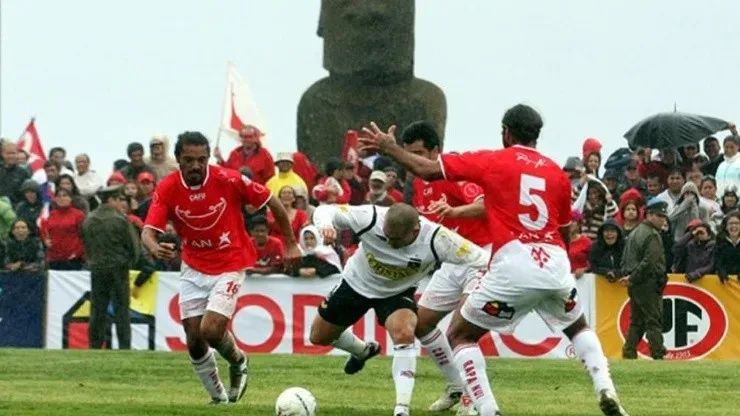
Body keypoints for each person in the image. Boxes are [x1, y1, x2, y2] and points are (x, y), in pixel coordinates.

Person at [359, 104, 628, 416]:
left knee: (460, 334)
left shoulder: (494, 160)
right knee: (578, 327)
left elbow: (428, 169)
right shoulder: (556, 172)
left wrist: (389, 149)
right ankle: (606, 389)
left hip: (505, 260)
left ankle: (486, 409)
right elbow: (565, 231)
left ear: (506, 132)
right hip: (552, 262)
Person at [141, 131, 301, 405]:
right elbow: (148, 232)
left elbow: (271, 201)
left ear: (207, 159)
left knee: (212, 330)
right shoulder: (167, 187)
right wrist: (154, 247)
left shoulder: (229, 178)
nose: (195, 166)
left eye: (201, 159)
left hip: (230, 261)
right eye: (189, 160)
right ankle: (219, 400)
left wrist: (289, 243)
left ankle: (238, 360)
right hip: (193, 266)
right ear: (178, 159)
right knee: (193, 340)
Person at [310, 203, 488, 416]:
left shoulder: (439, 240)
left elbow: (483, 259)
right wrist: (326, 226)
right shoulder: (371, 217)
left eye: (396, 240)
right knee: (318, 337)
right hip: (355, 283)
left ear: (415, 231)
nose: (390, 243)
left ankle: (401, 409)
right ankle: (363, 350)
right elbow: (324, 210)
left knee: (405, 331)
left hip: (396, 293)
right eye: (387, 236)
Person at [399, 120, 490, 414]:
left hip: (480, 257)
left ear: (435, 151)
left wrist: (455, 211)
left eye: (418, 153)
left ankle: (471, 401)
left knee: (461, 330)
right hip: (452, 260)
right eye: (408, 154)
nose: (413, 161)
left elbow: (486, 204)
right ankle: (455, 386)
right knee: (420, 323)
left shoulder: (454, 171)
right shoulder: (416, 180)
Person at [82, 185, 141, 350]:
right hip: (118, 268)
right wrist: (128, 262)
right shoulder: (120, 220)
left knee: (97, 310)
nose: (121, 203)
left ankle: (94, 345)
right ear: (111, 200)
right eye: (119, 199)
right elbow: (134, 247)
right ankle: (124, 346)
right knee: (121, 310)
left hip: (97, 268)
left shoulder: (88, 219)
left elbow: (85, 244)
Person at [619, 199, 668, 360]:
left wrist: (630, 277)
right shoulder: (652, 234)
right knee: (653, 319)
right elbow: (650, 261)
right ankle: (657, 352)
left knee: (637, 321)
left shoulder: (635, 232)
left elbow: (625, 259)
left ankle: (629, 351)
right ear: (650, 215)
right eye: (660, 216)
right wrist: (633, 277)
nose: (663, 220)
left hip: (636, 283)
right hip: (647, 281)